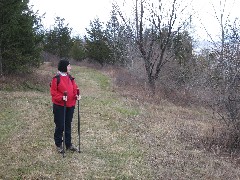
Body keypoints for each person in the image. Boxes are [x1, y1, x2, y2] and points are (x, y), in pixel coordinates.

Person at [50, 59, 81, 153]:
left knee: (68, 125)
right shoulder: (56, 78)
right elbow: (53, 93)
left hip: (70, 105)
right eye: (69, 66)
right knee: (60, 125)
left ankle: (68, 144)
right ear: (64, 67)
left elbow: (75, 88)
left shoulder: (70, 77)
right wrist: (61, 98)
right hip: (60, 106)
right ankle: (59, 145)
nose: (70, 67)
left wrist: (77, 95)